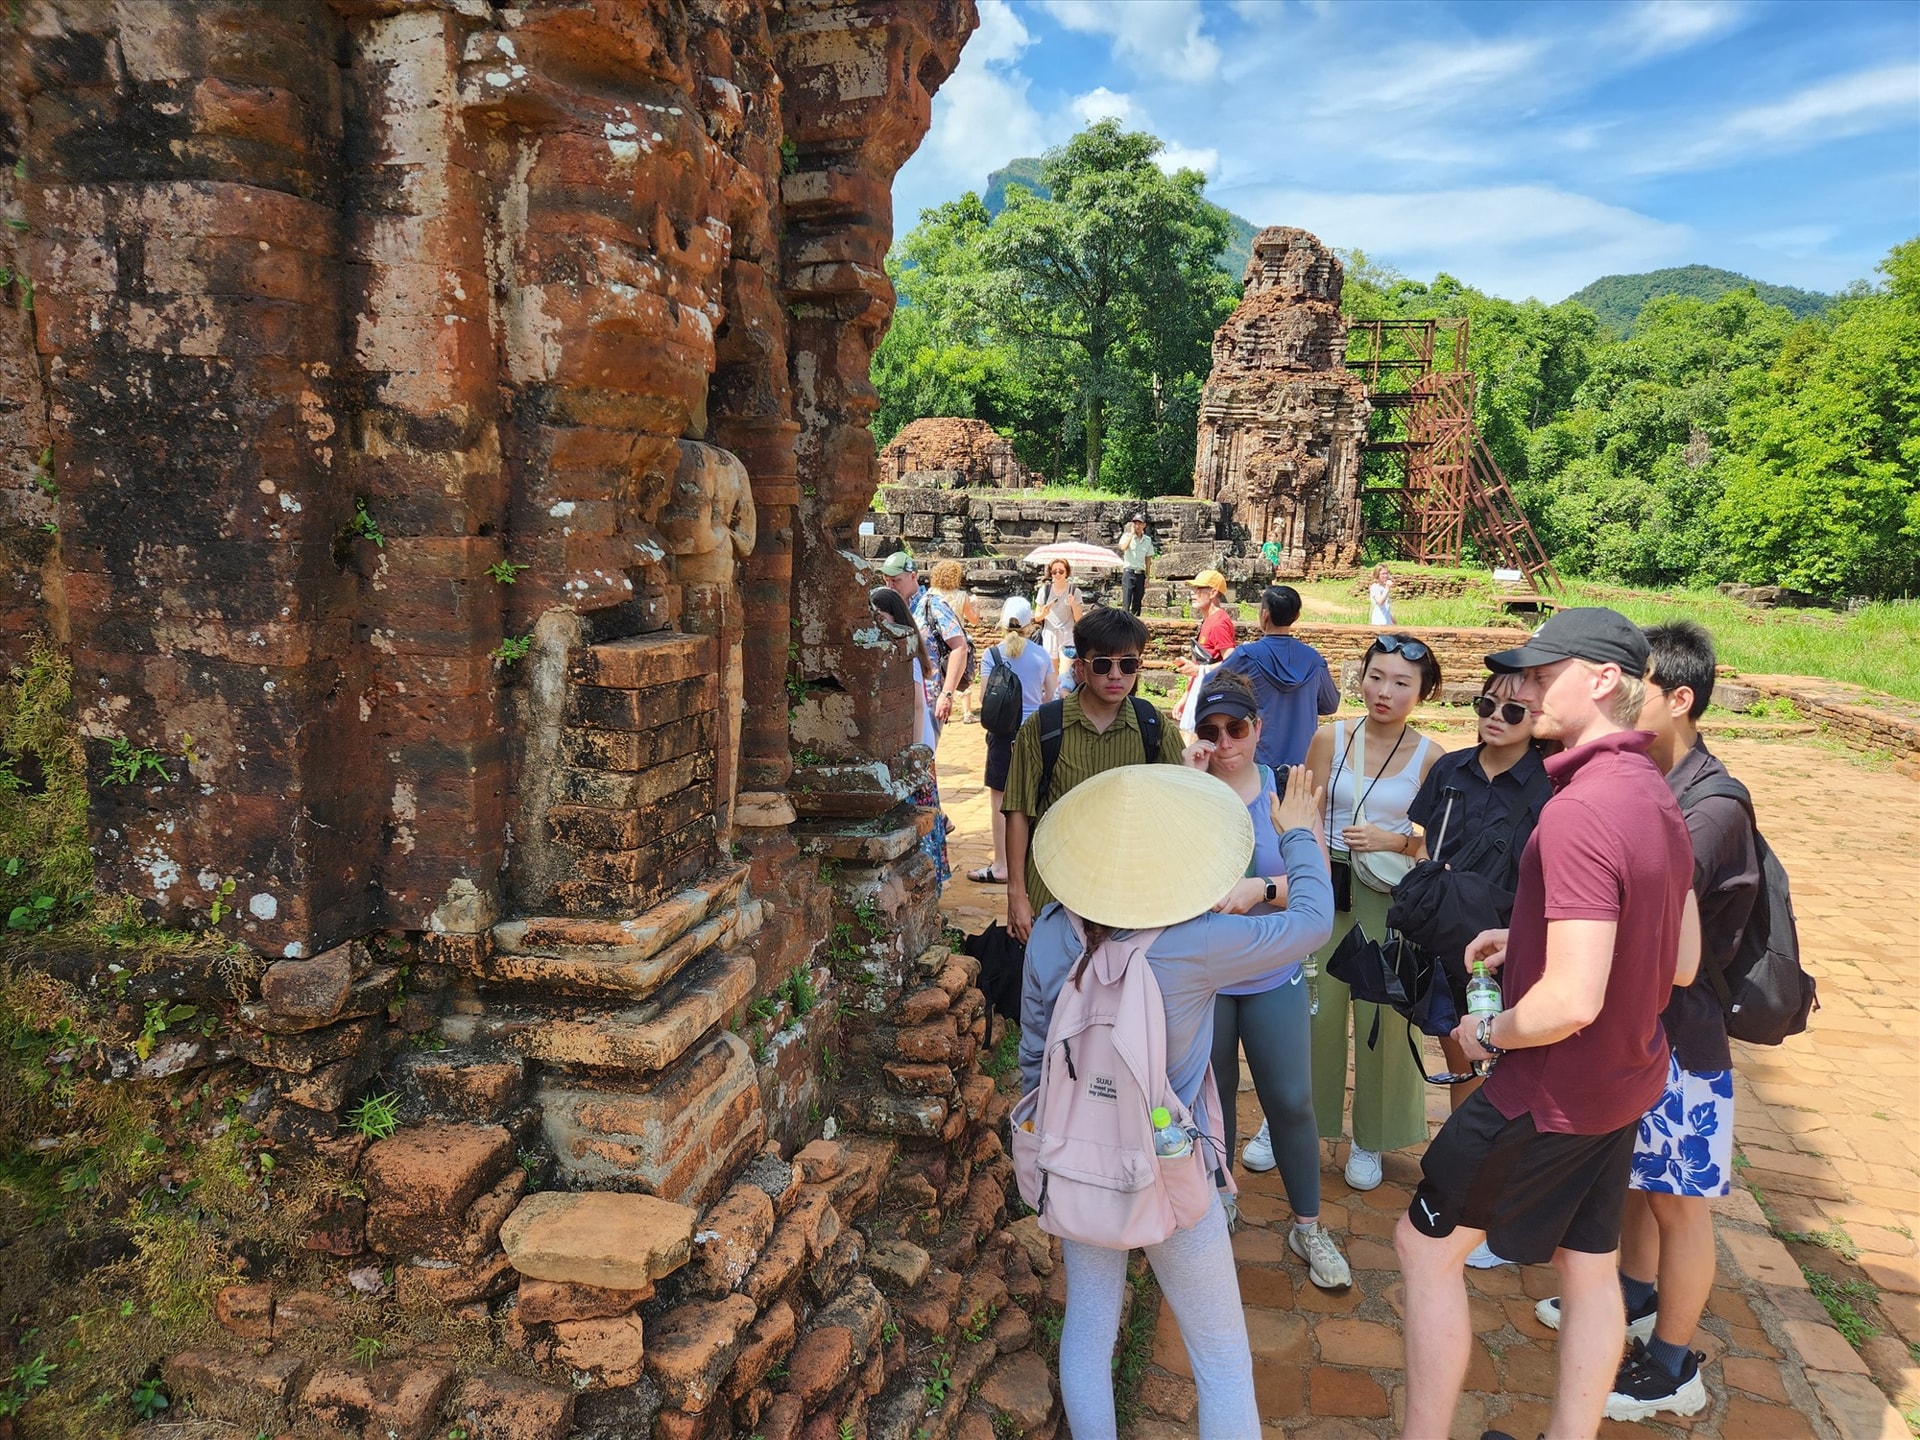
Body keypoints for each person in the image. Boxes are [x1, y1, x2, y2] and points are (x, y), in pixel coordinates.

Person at [1394, 607, 1701, 1440]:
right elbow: (1675, 954)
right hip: (1622, 1081)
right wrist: (1525, 934)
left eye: (1540, 672)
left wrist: (1485, 1035)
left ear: (1603, 680)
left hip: (1547, 1090)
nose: (1522, 689)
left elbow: (1569, 1002)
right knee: (1592, 1265)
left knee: (1426, 1251)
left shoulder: (1578, 809)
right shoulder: (1653, 789)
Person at [1021, 763, 1333, 1437]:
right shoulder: (1197, 943)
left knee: (1089, 1329)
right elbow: (1310, 925)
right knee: (1220, 1358)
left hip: (1079, 1160)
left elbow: (1034, 1054)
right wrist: (1303, 837)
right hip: (1168, 1165)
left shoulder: (1050, 931)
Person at [1533, 620, 1760, 1424]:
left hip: (1686, 1037)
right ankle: (1631, 1294)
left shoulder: (1708, 806)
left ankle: (1671, 1360)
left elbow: (1669, 942)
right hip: (1644, 1029)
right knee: (1642, 1179)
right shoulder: (1662, 783)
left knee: (1680, 1204)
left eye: (1641, 685)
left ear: (1679, 698)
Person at [1183, 672, 1353, 1291]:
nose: (1224, 742)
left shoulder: (1285, 790)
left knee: (1290, 1098)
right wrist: (1187, 785)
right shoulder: (1188, 789)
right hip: (1206, 974)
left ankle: (1307, 1222)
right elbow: (1164, 876)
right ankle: (1221, 1196)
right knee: (1214, 1093)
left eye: (1236, 729)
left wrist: (1266, 888)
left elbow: (1319, 881)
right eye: (1211, 730)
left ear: (1258, 729)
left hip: (1272, 967)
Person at [1303, 634, 1442, 1191]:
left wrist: (1392, 840)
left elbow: (1436, 847)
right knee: (1315, 1010)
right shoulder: (1328, 738)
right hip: (1329, 888)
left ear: (1423, 693)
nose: (1385, 692)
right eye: (1376, 677)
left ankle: (1372, 1138)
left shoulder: (1432, 758)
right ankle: (1296, 1121)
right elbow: (1302, 814)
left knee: (1383, 1018)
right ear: (1359, 677)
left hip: (1388, 899)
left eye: (1402, 683)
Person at [1408, 669, 1552, 1117]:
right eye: (1486, 705)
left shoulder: (1549, 784)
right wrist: (1431, 874)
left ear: (1536, 718)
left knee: (1516, 1068)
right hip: (1450, 936)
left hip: (1513, 942)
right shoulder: (1452, 768)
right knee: (1462, 1053)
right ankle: (1465, 1166)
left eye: (1513, 711)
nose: (1496, 718)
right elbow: (1424, 842)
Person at [1002, 606, 1184, 945]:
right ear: (1081, 668)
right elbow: (1018, 811)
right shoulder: (1044, 728)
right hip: (1052, 887)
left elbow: (1180, 805)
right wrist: (1017, 893)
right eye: (1103, 664)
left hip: (1128, 890)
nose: (1116, 675)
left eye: (1127, 664)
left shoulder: (1153, 728)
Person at [969, 596, 1057, 886]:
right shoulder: (1042, 656)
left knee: (999, 801)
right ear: (1030, 624)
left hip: (1003, 734)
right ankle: (1033, 861)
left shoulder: (992, 655)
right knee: (1033, 797)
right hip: (1035, 732)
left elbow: (983, 698)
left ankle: (1002, 864)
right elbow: (1050, 697)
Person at [870, 585, 950, 886]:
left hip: (917, 748)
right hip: (910, 746)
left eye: (881, 616)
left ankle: (932, 879)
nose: (876, 623)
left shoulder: (908, 655)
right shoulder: (893, 651)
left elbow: (918, 705)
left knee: (922, 814)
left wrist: (913, 755)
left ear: (896, 616)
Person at [1219, 585, 1340, 769]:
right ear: (1296, 616)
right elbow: (1330, 704)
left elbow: (1210, 689)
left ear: (1265, 615)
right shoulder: (1314, 660)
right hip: (1302, 763)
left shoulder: (1246, 656)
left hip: (1257, 761)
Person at [880, 552, 969, 741]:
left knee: (924, 757)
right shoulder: (887, 607)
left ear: (913, 576)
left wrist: (947, 693)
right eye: (886, 580)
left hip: (928, 697)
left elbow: (960, 647)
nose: (890, 586)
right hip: (896, 696)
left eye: (895, 580)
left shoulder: (932, 605)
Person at [1175, 568, 1237, 736]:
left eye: (1198, 589)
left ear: (1213, 592)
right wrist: (1186, 695)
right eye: (1193, 589)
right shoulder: (1209, 620)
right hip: (1199, 687)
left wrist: (1200, 670)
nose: (1193, 594)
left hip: (1209, 692)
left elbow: (1231, 662)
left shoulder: (1219, 623)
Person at [929, 559, 983, 722]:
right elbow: (974, 620)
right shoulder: (961, 596)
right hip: (957, 638)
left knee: (938, 674)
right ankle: (966, 712)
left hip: (937, 639)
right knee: (961, 674)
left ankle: (939, 709)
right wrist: (977, 606)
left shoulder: (932, 593)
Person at [1034, 559, 1084, 672]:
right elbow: (1037, 617)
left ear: (1067, 572)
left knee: (1065, 674)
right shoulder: (1045, 590)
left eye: (1061, 571)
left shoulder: (1074, 591)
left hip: (1068, 636)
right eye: (1054, 571)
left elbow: (1079, 619)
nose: (1057, 574)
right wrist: (1044, 613)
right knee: (1051, 674)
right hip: (1049, 635)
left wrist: (1073, 604)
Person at [1119, 514, 1156, 615]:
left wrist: (1148, 577)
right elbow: (1123, 547)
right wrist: (1131, 534)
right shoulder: (1127, 536)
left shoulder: (1147, 540)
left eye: (1139, 523)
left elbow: (1148, 559)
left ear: (1144, 525)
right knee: (1126, 601)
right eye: (1135, 523)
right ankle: (1123, 625)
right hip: (1128, 573)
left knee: (1137, 602)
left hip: (1140, 574)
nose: (1137, 526)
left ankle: (1135, 625)